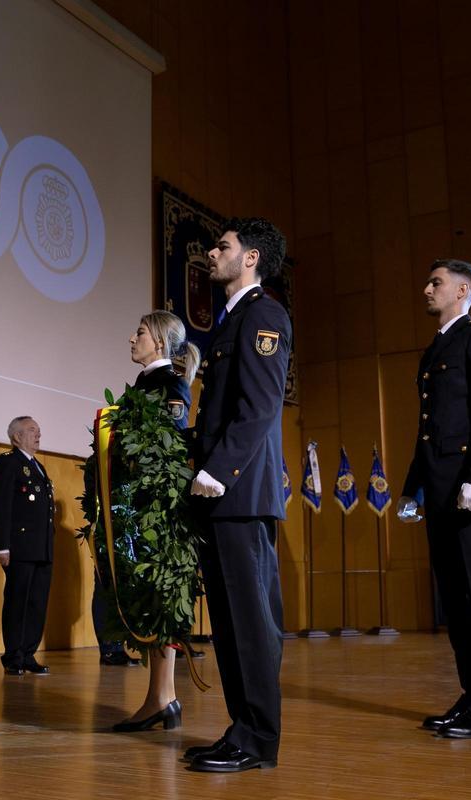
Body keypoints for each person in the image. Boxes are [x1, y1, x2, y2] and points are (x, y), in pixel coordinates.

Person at [184, 217, 290, 773]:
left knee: (250, 624)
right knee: (227, 625)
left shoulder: (263, 315)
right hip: (220, 492)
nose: (211, 253)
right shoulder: (230, 321)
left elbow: (259, 407)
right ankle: (241, 730)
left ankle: (258, 740)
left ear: (250, 258)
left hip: (241, 493)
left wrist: (220, 469)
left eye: (221, 246)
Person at [397, 258, 471, 739]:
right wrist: (412, 488)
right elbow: (429, 431)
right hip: (443, 493)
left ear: (464, 289)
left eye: (436, 282)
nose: (427, 288)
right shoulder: (434, 352)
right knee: (458, 606)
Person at [110, 310, 200, 732]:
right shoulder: (147, 384)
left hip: (158, 512)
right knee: (147, 600)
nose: (132, 337)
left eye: (140, 332)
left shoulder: (169, 384)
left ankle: (162, 697)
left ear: (160, 342)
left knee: (160, 598)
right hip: (138, 508)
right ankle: (160, 697)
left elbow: (170, 447)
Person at [0, 416, 54, 676]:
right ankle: (13, 656)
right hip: (20, 547)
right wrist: (1, 546)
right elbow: (0, 505)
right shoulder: (7, 462)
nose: (38, 435)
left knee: (37, 602)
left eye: (39, 430)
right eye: (31, 431)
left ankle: (28, 654)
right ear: (16, 436)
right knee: (18, 602)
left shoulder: (38, 466)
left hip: (42, 548)